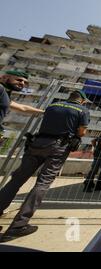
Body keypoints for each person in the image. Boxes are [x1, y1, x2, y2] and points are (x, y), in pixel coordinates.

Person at [0, 90, 89, 239]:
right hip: (58, 147)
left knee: (16, 180)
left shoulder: (52, 106)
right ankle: (18, 225)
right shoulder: (82, 110)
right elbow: (81, 132)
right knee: (42, 183)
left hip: (37, 143)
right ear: (82, 101)